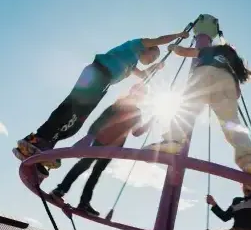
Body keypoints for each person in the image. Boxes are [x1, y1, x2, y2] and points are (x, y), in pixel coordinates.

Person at [13, 31, 189, 169]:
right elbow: (158, 39)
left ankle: (47, 144)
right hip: (96, 73)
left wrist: (155, 67)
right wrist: (178, 36)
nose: (152, 59)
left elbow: (143, 75)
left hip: (102, 84)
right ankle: (37, 138)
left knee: (76, 122)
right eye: (153, 56)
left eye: (155, 59)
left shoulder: (132, 65)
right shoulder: (134, 46)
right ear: (147, 49)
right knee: (71, 108)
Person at [144, 43, 251, 179]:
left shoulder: (208, 50)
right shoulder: (233, 61)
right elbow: (237, 94)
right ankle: (249, 161)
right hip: (227, 81)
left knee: (187, 108)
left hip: (204, 72)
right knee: (232, 123)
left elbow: (184, 51)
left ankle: (173, 140)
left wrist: (173, 47)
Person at [49, 83, 153, 216]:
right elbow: (100, 120)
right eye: (138, 92)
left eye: (142, 94)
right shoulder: (119, 104)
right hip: (101, 141)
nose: (139, 96)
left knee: (95, 173)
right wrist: (90, 136)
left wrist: (150, 122)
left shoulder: (136, 112)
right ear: (132, 91)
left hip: (114, 148)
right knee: (84, 165)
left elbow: (136, 132)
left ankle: (83, 203)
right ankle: (60, 190)